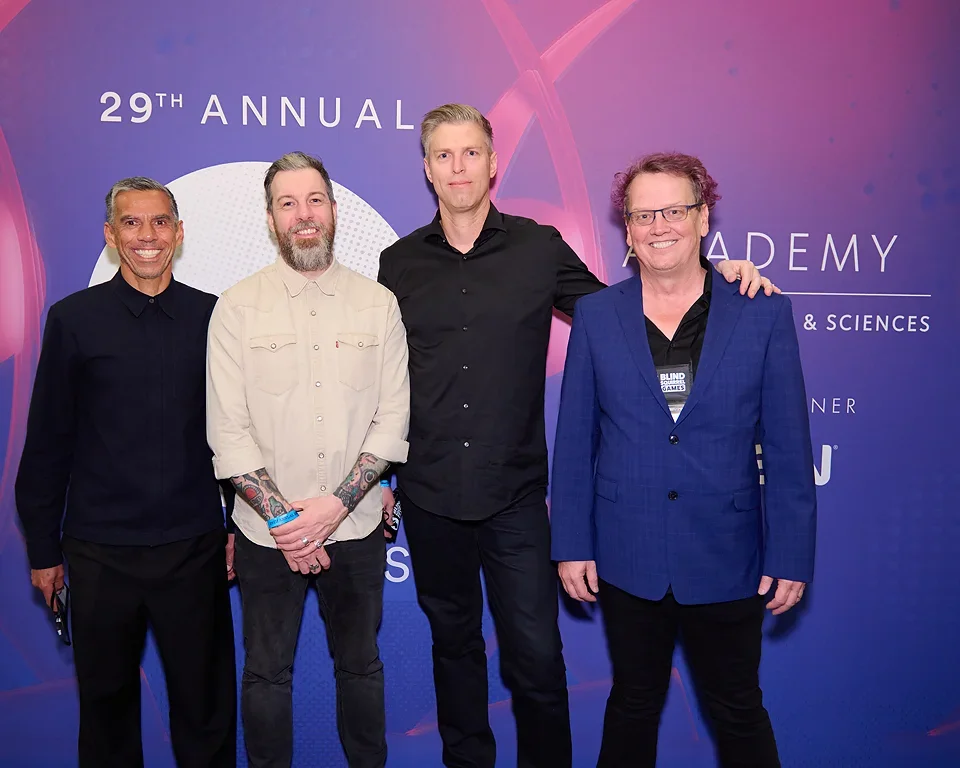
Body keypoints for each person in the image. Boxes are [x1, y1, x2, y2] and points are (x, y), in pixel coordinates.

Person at [377, 104, 778, 768]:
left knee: (537, 658)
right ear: (427, 168)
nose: (459, 167)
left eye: (471, 152)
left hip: (515, 498)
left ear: (493, 162)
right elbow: (377, 375)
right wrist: (379, 476)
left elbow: (623, 314)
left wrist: (716, 281)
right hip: (429, 492)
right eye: (444, 155)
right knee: (453, 647)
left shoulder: (538, 248)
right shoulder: (398, 264)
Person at [551, 152, 817, 768]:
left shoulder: (762, 311)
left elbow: (788, 448)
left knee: (738, 709)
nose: (658, 226)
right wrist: (571, 544)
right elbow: (575, 444)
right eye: (643, 215)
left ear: (703, 218)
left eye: (674, 210)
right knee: (632, 704)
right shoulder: (596, 315)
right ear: (627, 228)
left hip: (728, 554)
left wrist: (791, 553)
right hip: (628, 552)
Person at [15, 177, 237, 767]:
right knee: (107, 718)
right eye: (131, 223)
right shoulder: (73, 320)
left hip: (193, 547)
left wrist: (237, 526)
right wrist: (43, 550)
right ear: (111, 236)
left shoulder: (213, 317)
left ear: (179, 232)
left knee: (206, 712)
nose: (147, 235)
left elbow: (236, 435)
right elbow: (47, 442)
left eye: (159, 221)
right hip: (99, 553)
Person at [206, 151, 410, 768]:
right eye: (288, 203)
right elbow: (228, 432)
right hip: (266, 534)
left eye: (314, 200)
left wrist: (335, 508)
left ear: (334, 210)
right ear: (270, 218)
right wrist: (287, 523)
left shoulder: (378, 304)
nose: (303, 214)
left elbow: (392, 420)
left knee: (362, 667)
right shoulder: (236, 307)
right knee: (266, 674)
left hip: (357, 526)